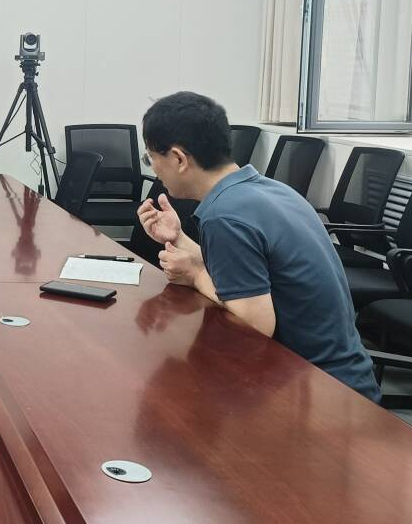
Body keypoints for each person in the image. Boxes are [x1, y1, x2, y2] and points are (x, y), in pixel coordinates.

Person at [137, 91, 381, 402]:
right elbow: (245, 271)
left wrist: (196, 275)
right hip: (347, 379)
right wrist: (178, 238)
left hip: (318, 392)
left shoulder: (224, 216)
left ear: (178, 159)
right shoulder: (269, 191)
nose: (153, 169)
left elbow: (254, 323)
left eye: (151, 158)